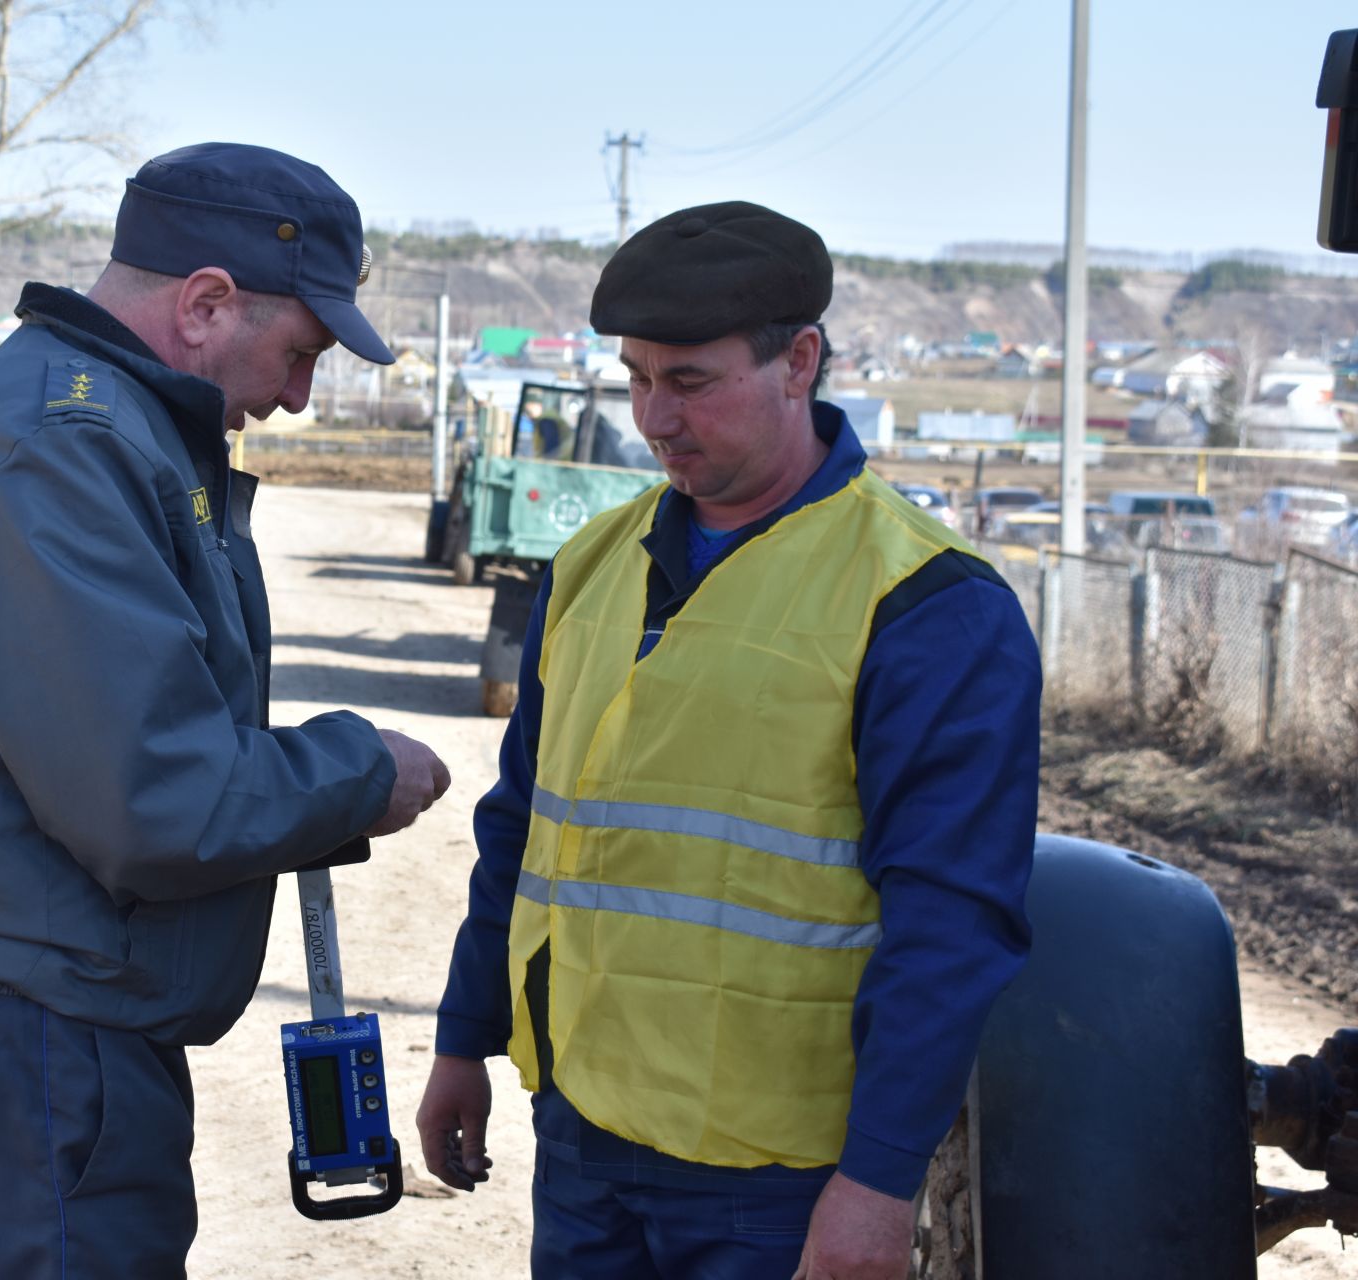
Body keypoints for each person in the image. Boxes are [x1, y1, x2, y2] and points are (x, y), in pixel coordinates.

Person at [0, 142, 451, 1280]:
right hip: (31, 1050)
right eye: (300, 353)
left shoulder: (95, 426)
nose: (296, 395)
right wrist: (359, 771)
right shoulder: (61, 450)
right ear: (207, 303)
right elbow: (155, 796)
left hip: (46, 1038)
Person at [415, 202, 1040, 1280]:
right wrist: (465, 1035)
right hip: (586, 1141)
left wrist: (878, 1181)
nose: (654, 417)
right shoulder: (591, 565)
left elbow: (951, 920)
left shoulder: (927, 604)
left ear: (800, 361)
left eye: (690, 381)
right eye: (635, 378)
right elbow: (522, 828)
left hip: (778, 1180)